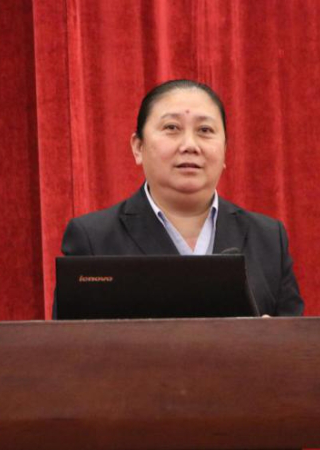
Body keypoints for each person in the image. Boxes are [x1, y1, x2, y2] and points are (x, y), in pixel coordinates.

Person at [58, 79, 303, 317]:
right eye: (172, 128)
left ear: (225, 150)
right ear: (138, 147)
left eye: (205, 130)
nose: (189, 145)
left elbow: (297, 340)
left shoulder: (268, 238)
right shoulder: (93, 239)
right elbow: (70, 341)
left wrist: (271, 338)